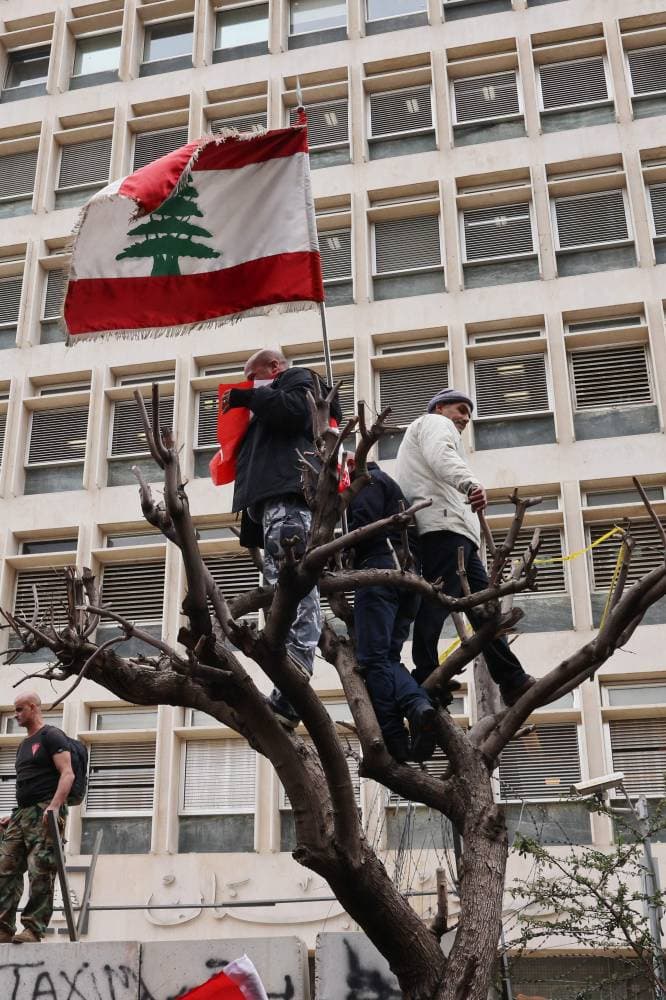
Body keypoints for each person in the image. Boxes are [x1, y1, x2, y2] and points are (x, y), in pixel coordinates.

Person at [222, 349, 342, 728]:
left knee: (295, 587)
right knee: (281, 589)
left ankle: (297, 672)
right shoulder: (269, 401)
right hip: (272, 502)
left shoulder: (300, 378)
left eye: (253, 375)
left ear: (275, 368)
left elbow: (294, 411)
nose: (249, 383)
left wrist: (248, 397)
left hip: (288, 497)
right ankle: (287, 687)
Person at [395, 388, 535, 706]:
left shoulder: (430, 429)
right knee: (438, 600)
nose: (465, 418)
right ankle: (427, 670)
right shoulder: (433, 423)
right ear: (440, 407)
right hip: (443, 528)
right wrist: (469, 483)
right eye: (460, 409)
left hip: (454, 530)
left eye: (469, 414)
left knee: (486, 614)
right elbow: (442, 455)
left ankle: (511, 679)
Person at [347, 460, 436, 762]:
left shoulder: (368, 481)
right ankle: (418, 706)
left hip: (380, 574)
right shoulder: (391, 489)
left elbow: (363, 526)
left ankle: (394, 736)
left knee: (372, 660)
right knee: (387, 658)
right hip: (408, 580)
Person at [0, 692, 74, 943]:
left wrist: (54, 807)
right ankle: (3, 928)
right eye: (15, 710)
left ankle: (33, 928)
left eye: (20, 709)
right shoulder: (23, 745)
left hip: (45, 810)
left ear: (33, 708)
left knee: (40, 869)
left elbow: (68, 774)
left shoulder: (51, 736)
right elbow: (27, 783)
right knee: (5, 869)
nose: (16, 714)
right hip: (23, 813)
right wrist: (16, 816)